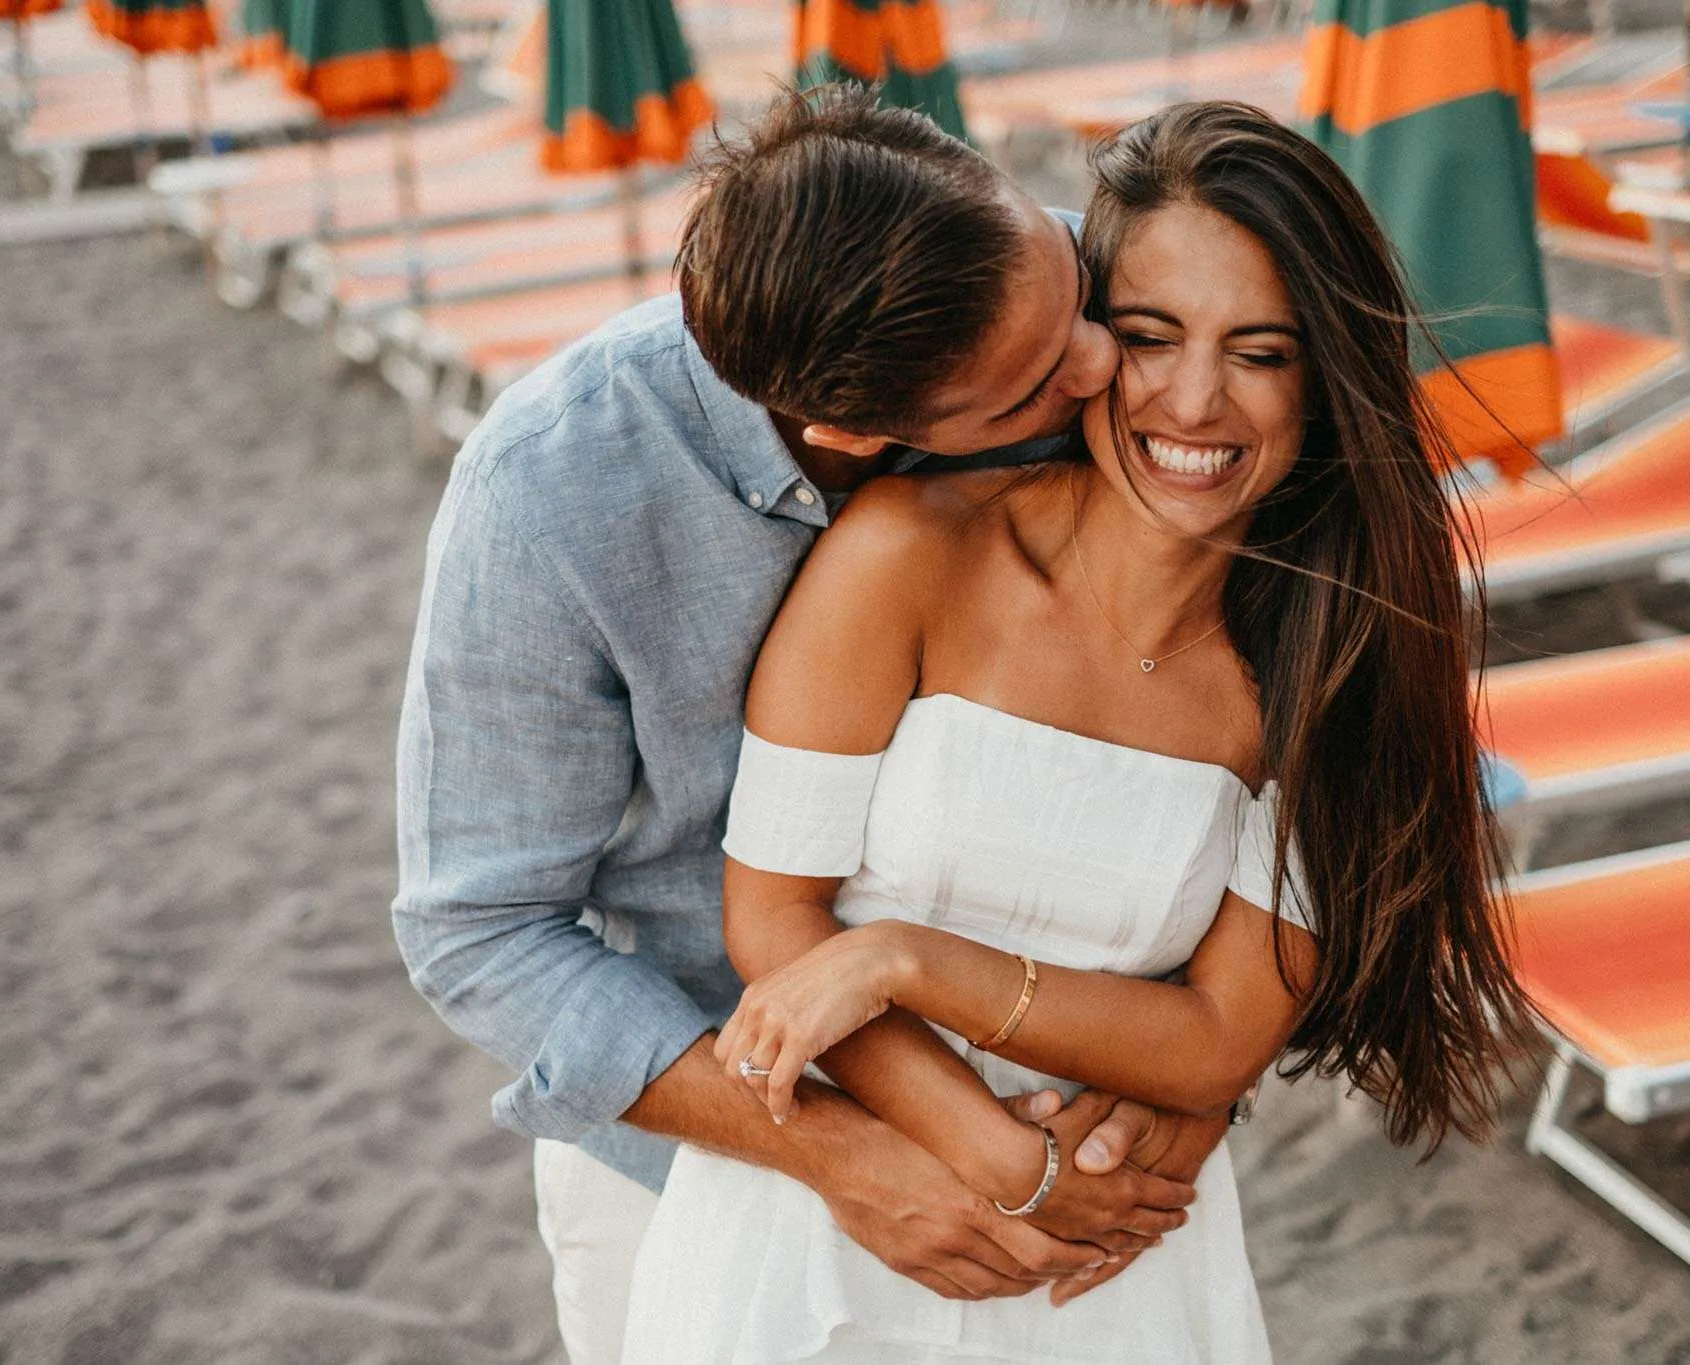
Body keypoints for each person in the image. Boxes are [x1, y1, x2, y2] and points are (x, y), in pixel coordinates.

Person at [618, 101, 1537, 1363]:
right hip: (843, 1218)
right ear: (1091, 335)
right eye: (1150, 336)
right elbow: (772, 918)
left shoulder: (1331, 666)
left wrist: (904, 959)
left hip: (1114, 1256)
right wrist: (1000, 1160)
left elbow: (1219, 1037)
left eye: (1261, 353)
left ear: (1327, 380)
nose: (1193, 400)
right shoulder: (904, 554)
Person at [393, 87, 1236, 1365]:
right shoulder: (552, 495)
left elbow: (1313, 690)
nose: (1104, 367)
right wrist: (840, 1153)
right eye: (1028, 389)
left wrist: (1199, 1078)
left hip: (1091, 1134)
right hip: (704, 1142)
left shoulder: (1110, 293)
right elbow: (480, 932)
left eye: (1070, 288)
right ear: (855, 436)